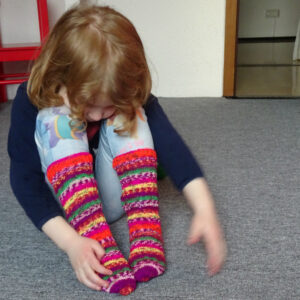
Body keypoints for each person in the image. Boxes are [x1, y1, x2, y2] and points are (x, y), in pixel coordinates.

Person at [8, 5, 226, 296]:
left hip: (114, 197)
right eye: (87, 105)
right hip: (67, 210)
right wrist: (72, 243)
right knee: (54, 119)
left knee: (132, 113)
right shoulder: (29, 103)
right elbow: (25, 182)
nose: (97, 116)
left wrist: (204, 208)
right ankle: (96, 240)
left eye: (106, 105)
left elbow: (171, 145)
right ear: (58, 75)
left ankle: (145, 228)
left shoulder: (122, 92)